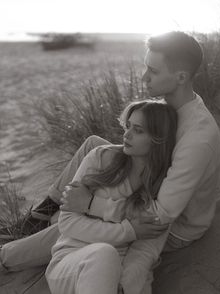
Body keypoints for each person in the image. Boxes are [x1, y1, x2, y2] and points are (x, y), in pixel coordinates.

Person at [0, 31, 220, 291]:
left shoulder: (197, 138)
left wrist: (94, 204)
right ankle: (45, 211)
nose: (143, 77)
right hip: (151, 189)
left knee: (82, 225)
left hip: (173, 226)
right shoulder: (177, 106)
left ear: (181, 77)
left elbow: (159, 217)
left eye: (152, 70)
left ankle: (8, 256)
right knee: (94, 146)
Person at [45, 99, 177, 294]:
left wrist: (125, 285)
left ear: (158, 139)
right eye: (128, 126)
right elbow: (67, 223)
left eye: (138, 130)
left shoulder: (164, 188)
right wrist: (128, 231)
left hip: (119, 272)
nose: (127, 134)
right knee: (104, 253)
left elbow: (146, 250)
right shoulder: (100, 157)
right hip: (73, 262)